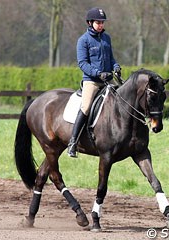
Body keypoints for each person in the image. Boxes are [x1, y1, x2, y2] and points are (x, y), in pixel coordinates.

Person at [67, 7, 121, 158]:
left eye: (102, 22)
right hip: (92, 81)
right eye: (98, 22)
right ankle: (73, 142)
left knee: (121, 99)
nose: (101, 25)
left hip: (107, 80)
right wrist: (97, 73)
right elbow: (82, 63)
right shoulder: (83, 40)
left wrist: (115, 66)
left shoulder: (106, 38)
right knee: (86, 107)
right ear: (90, 23)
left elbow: (111, 58)